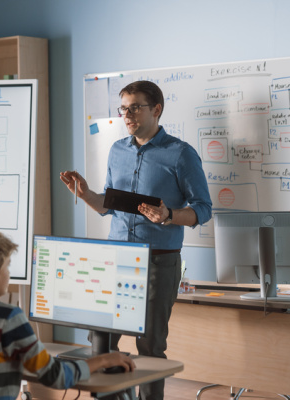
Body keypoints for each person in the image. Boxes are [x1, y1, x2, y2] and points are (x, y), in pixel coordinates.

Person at [60, 80, 212, 400]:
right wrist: (84, 192)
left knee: (151, 345)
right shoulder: (117, 151)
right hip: (115, 259)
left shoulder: (181, 154)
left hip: (159, 260)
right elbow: (108, 207)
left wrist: (168, 215)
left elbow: (203, 210)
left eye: (135, 107)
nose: (127, 115)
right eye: (124, 108)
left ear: (156, 110)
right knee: (101, 340)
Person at [0, 226, 135, 400]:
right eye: (7, 267)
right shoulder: (8, 318)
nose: (9, 274)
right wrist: (104, 360)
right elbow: (56, 376)